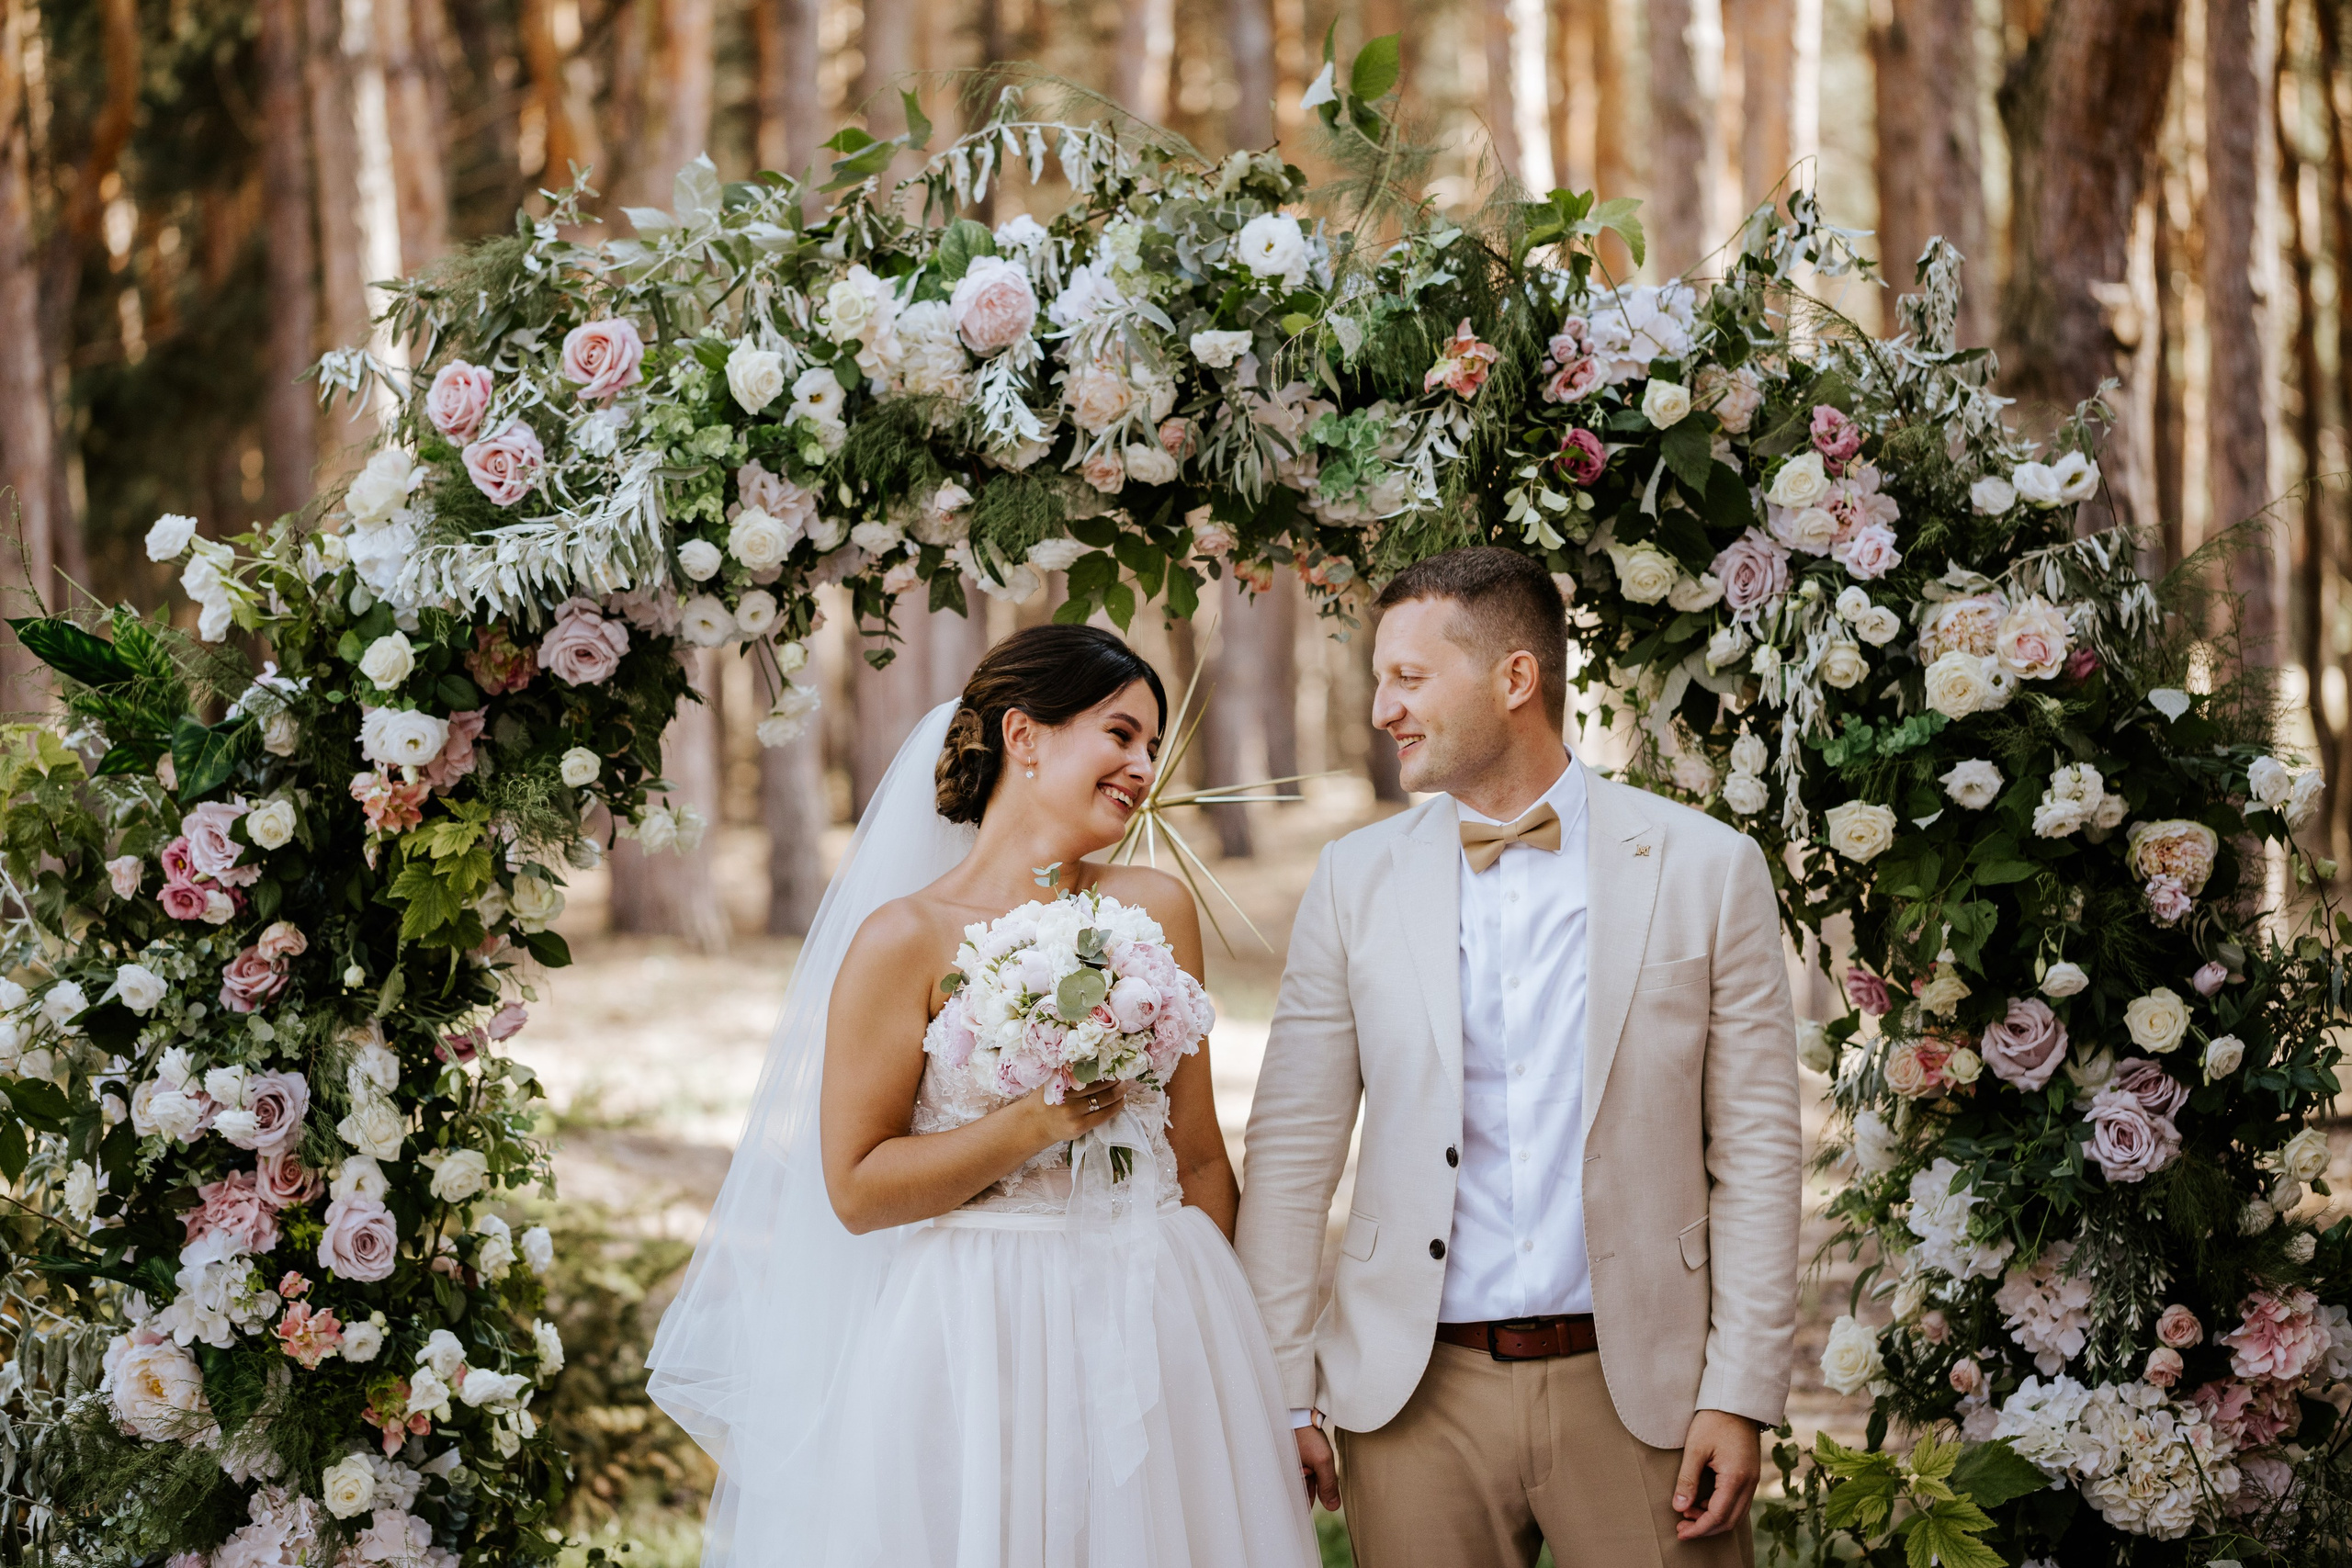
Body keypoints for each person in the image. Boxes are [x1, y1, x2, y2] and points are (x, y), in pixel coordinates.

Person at [648, 624, 1318, 1568]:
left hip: (1156, 1307)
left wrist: (1247, 1374)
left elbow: (1201, 1154)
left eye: (1151, 748)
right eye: (1120, 734)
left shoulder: (1155, 910)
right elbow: (857, 1187)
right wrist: (1032, 1126)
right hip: (971, 1335)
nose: (1141, 767)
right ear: (1024, 735)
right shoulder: (903, 939)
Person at [1233, 547, 1802, 1567]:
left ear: (1514, 679)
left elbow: (1758, 1153)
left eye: (1408, 678)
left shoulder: (1707, 868)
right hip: (1412, 1396)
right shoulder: (1352, 879)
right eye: (1378, 681)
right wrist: (1280, 1385)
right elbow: (1289, 1152)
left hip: (1645, 1393)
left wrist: (1739, 1391)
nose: (1381, 711)